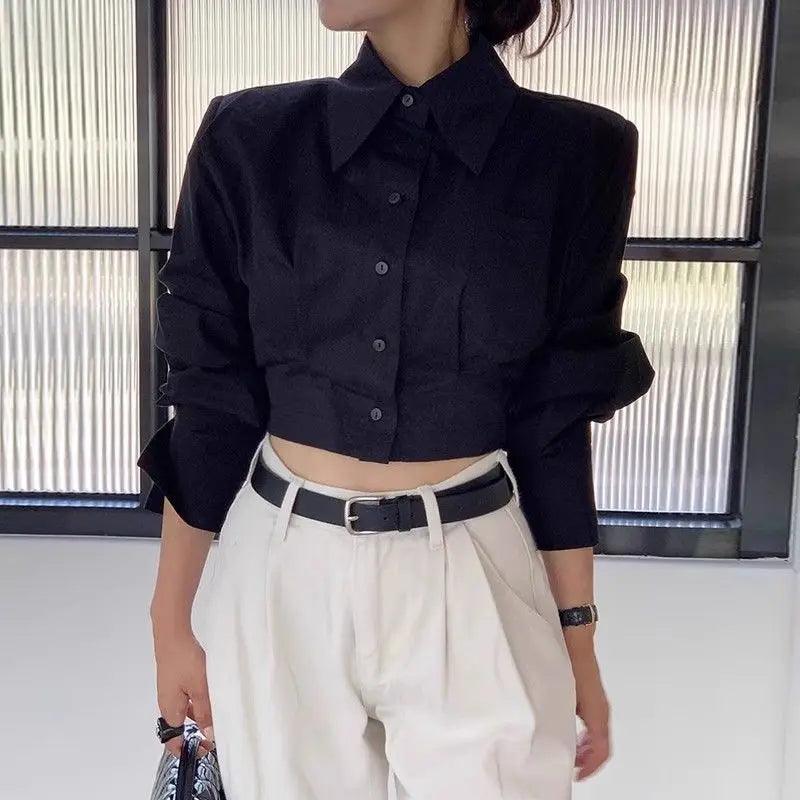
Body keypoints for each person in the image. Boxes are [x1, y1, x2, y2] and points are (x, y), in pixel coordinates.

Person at [141, 1, 655, 798]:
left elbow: (554, 417)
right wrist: (170, 621)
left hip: (474, 573)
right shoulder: (250, 137)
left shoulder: (579, 152)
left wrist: (577, 638)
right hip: (280, 576)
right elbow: (212, 396)